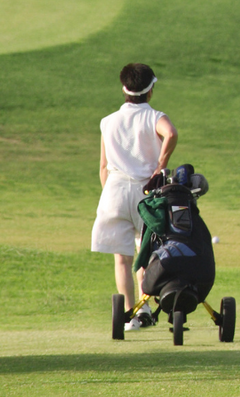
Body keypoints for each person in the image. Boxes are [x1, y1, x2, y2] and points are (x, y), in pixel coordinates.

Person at [94, 63, 179, 331]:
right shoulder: (154, 117)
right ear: (150, 90)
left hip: (114, 191)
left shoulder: (107, 122)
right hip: (146, 192)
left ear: (124, 89)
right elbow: (171, 134)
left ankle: (130, 315)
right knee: (146, 253)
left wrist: (111, 194)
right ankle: (145, 310)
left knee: (122, 258)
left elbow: (103, 168)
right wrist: (160, 164)